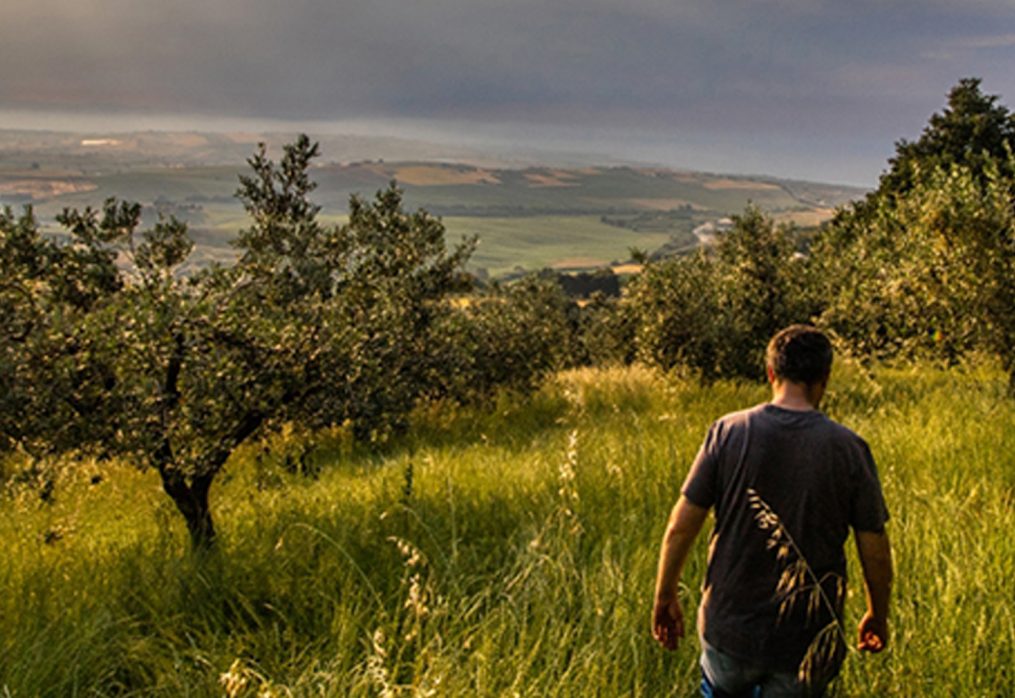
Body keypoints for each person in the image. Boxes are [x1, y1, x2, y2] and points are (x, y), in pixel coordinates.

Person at [651, 325, 893, 697]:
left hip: (728, 630)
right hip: (805, 639)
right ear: (824, 379)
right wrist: (878, 614)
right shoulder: (849, 449)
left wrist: (665, 595)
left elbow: (680, 527)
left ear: (770, 374)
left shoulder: (727, 432)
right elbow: (874, 548)